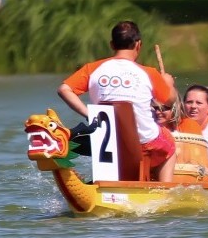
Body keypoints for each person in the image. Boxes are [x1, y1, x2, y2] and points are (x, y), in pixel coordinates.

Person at [57, 20, 178, 182]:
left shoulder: (92, 69)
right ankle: (165, 192)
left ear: (112, 45)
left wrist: (88, 113)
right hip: (144, 141)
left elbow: (64, 89)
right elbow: (170, 101)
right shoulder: (148, 72)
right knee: (170, 144)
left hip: (105, 140)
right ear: (138, 45)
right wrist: (168, 83)